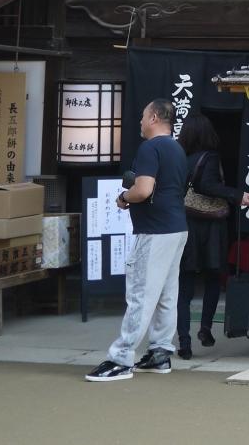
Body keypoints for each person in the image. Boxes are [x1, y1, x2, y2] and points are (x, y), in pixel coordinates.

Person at [86, 99, 189, 382]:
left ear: (154, 117)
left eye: (143, 116)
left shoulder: (150, 148)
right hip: (176, 228)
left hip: (154, 231)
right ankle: (160, 352)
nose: (141, 122)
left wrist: (123, 197)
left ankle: (121, 358)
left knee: (141, 294)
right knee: (167, 294)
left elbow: (143, 190)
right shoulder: (177, 149)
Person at [175, 113, 249, 360]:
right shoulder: (210, 157)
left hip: (186, 224)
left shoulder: (179, 158)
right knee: (213, 278)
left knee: (184, 286)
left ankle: (184, 342)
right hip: (211, 227)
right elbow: (207, 186)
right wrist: (237, 195)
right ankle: (205, 328)